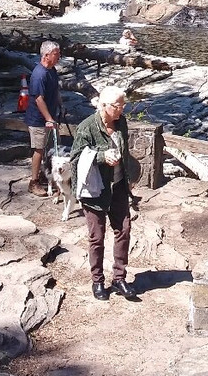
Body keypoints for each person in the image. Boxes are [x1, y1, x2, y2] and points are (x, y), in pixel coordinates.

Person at [70, 85, 137, 301]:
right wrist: (101, 157)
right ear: (104, 106)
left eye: (123, 105)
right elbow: (76, 158)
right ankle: (97, 281)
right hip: (95, 190)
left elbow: (125, 152)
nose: (122, 109)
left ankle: (119, 278)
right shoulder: (86, 128)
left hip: (118, 186)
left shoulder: (122, 122)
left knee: (124, 230)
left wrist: (128, 179)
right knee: (97, 237)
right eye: (118, 106)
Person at [26, 40, 65, 197]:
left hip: (50, 116)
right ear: (46, 55)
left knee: (51, 148)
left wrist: (61, 104)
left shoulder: (52, 70)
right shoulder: (39, 75)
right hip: (38, 119)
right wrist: (49, 118)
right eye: (56, 54)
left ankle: (46, 175)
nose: (59, 56)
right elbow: (38, 99)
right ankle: (33, 182)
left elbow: (55, 90)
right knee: (39, 150)